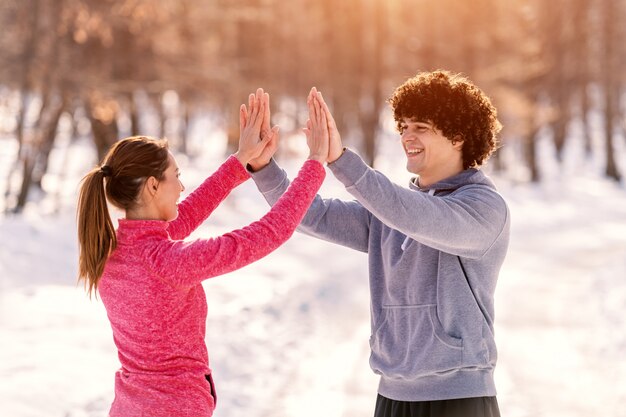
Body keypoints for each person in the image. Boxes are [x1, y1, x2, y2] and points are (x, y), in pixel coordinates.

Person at [248, 71, 510, 417]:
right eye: (403, 126)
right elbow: (313, 215)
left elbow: (418, 216)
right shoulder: (390, 210)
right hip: (392, 395)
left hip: (459, 398)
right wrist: (262, 166)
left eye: (420, 127)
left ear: (458, 135)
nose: (406, 136)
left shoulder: (484, 209)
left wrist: (341, 159)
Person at [76, 88, 330, 417]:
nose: (181, 188)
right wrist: (315, 164)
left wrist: (242, 161)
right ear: (153, 186)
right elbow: (268, 233)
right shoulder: (165, 261)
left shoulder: (112, 251)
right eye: (176, 177)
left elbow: (188, 213)